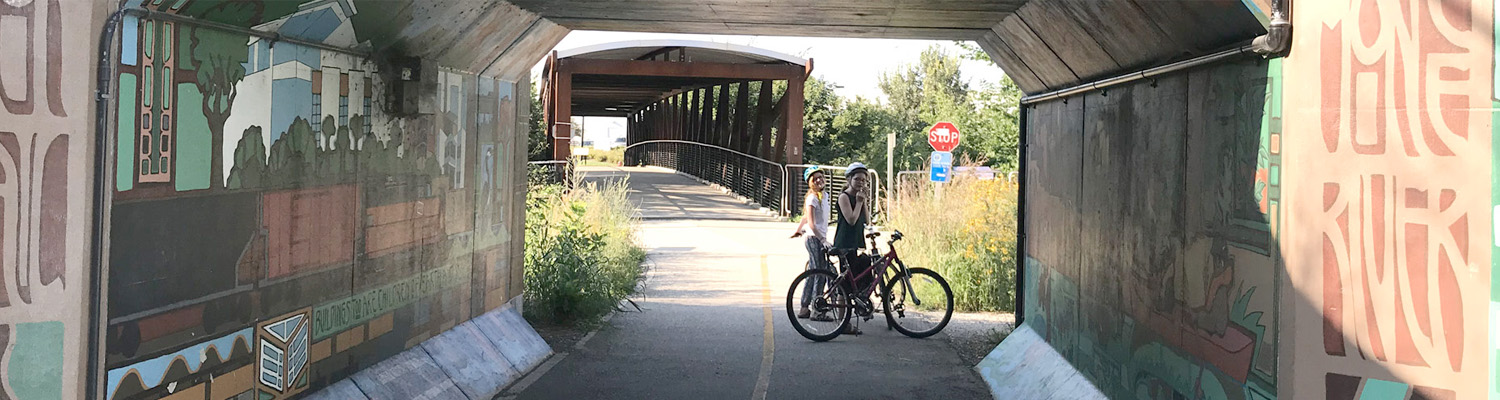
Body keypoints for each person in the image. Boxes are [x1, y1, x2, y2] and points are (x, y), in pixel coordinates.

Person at [831, 162, 873, 334]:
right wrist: (859, 202)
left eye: (863, 180)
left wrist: (864, 202)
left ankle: (857, 309)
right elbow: (852, 219)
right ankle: (842, 322)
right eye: (857, 179)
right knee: (845, 285)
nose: (860, 183)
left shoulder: (859, 198)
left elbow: (867, 220)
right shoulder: (844, 197)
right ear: (849, 179)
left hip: (855, 243)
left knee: (860, 276)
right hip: (844, 244)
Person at [790, 167, 833, 320]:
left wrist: (798, 229)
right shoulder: (812, 198)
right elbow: (812, 223)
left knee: (813, 272)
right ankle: (817, 310)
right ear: (810, 183)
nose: (819, 180)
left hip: (817, 237)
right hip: (814, 239)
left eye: (821, 177)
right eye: (815, 179)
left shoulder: (825, 196)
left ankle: (804, 307)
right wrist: (823, 240)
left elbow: (805, 218)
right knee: (820, 273)